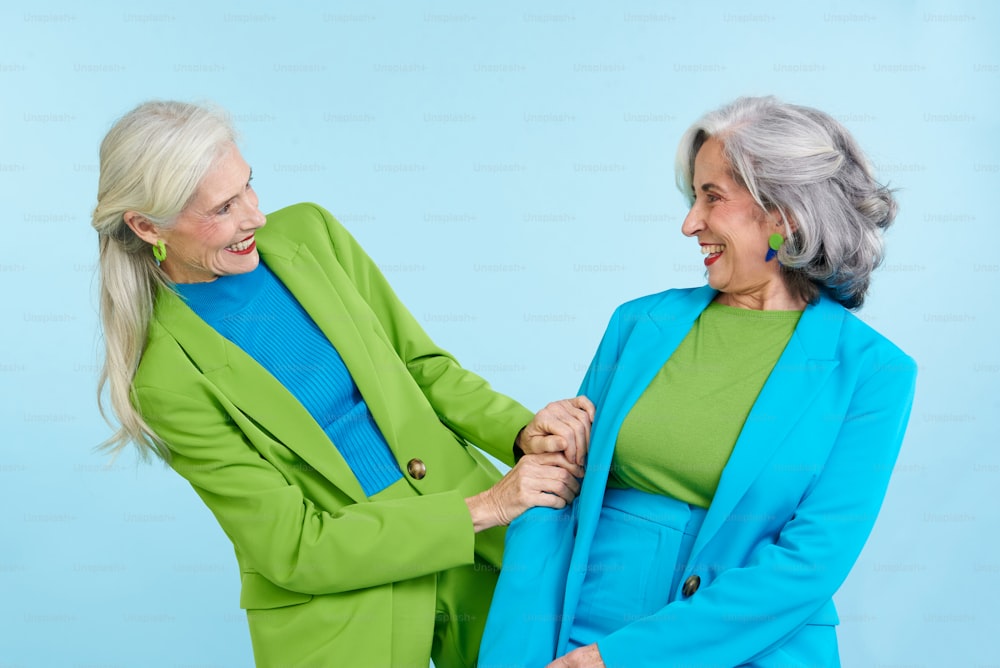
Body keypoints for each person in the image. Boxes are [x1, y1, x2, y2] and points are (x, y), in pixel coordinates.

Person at [91, 100, 595, 668]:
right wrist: (487, 506)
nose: (254, 216)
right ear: (145, 225)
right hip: (344, 613)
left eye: (249, 187)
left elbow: (422, 365)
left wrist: (524, 433)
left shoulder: (311, 232)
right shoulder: (165, 381)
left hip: (479, 552)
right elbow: (294, 548)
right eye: (222, 209)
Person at [480, 96, 918, 668]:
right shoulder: (640, 323)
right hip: (572, 632)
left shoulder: (873, 373)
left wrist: (620, 658)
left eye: (712, 197)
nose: (690, 223)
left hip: (745, 649)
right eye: (694, 197)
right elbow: (556, 497)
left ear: (784, 214)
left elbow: (811, 562)